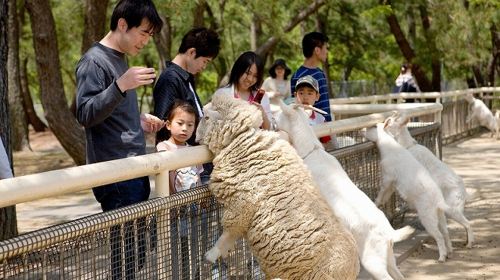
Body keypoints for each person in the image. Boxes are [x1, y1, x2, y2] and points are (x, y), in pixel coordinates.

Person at [75, 1, 163, 279]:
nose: (146, 41)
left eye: (150, 36)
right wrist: (120, 85)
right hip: (115, 173)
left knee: (135, 256)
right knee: (124, 259)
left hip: (134, 168)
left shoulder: (120, 59)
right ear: (123, 24)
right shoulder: (94, 61)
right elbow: (85, 113)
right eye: (144, 33)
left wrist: (138, 120)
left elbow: (109, 111)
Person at [156, 100, 206, 280]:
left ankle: (190, 276)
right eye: (180, 123)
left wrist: (201, 198)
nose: (185, 128)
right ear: (168, 125)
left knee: (192, 247)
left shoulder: (193, 150)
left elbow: (198, 176)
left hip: (192, 209)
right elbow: (167, 176)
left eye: (190, 125)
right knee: (173, 249)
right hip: (173, 211)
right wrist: (173, 202)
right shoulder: (164, 147)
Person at [153, 27, 221, 146]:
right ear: (192, 52)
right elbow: (163, 125)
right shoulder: (170, 79)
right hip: (179, 158)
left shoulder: (186, 78)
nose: (204, 67)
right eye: (205, 61)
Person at [214, 51, 275, 130]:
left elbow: (269, 129)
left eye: (255, 76)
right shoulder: (222, 94)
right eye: (247, 73)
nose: (250, 79)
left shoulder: (262, 97)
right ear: (238, 70)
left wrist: (262, 113)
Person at [290, 31, 333, 122]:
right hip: (309, 129)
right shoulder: (297, 76)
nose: (327, 52)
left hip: (326, 127)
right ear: (317, 50)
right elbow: (296, 107)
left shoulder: (320, 73)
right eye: (325, 48)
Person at [294, 75, 335, 149]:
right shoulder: (290, 115)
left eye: (310, 93)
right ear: (295, 95)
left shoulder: (320, 118)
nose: (305, 97)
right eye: (301, 93)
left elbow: (326, 142)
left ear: (317, 96)